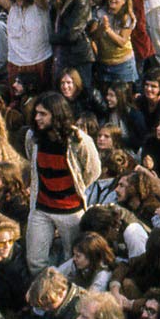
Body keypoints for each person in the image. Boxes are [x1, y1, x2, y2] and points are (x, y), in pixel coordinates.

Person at [24, 91, 102, 275]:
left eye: (43, 114)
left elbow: (93, 170)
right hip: (41, 207)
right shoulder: (32, 136)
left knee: (71, 259)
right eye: (36, 113)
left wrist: (76, 188)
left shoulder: (79, 140)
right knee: (35, 259)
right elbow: (31, 160)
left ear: (56, 114)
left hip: (71, 210)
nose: (37, 118)